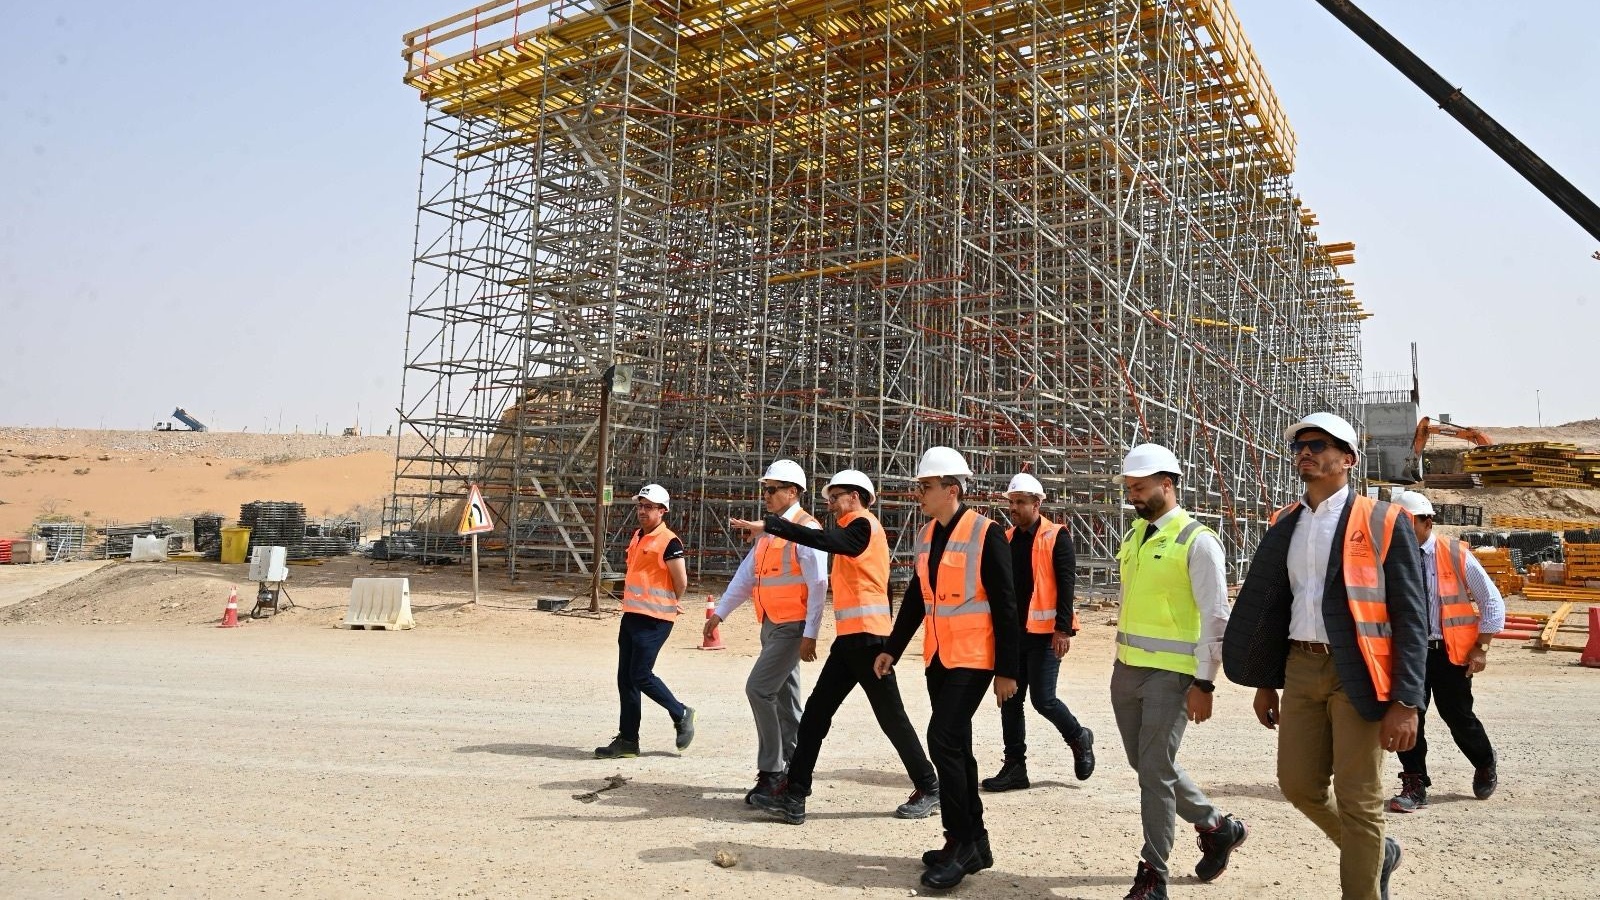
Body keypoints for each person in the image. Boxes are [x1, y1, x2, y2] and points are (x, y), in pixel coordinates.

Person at [1224, 412, 1428, 900]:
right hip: (1301, 667)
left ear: (1348, 458)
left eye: (1318, 445)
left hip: (1359, 671)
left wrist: (1407, 701)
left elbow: (1411, 617)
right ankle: (1377, 852)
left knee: (1360, 801)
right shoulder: (1285, 522)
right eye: (1300, 446)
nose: (1305, 453)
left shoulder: (1383, 521)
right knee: (1297, 785)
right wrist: (1265, 681)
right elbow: (1274, 608)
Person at [738, 469, 940, 824]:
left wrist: (773, 525)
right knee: (815, 716)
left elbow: (826, 541)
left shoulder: (862, 526)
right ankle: (794, 795)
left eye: (835, 497)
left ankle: (929, 786)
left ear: (855, 497)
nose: (830, 504)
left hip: (869, 642)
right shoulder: (856, 530)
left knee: (891, 718)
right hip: (852, 640)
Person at [875, 446, 1019, 891]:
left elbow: (1007, 605)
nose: (919, 493)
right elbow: (918, 597)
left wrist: (1008, 670)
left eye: (926, 486)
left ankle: (962, 841)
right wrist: (893, 648)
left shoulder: (986, 533)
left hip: (975, 657)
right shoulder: (926, 534)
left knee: (941, 738)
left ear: (952, 489)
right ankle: (973, 840)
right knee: (957, 746)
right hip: (939, 657)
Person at [1110, 444, 1246, 900]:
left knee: (1154, 771)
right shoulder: (1135, 534)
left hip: (1172, 675)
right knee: (1149, 764)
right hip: (1127, 669)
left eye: (1140, 487)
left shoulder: (1198, 541)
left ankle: (1153, 875)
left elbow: (1216, 617)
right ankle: (1216, 826)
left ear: (1167, 484)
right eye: (1130, 488)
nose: (1133, 495)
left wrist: (1205, 682)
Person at [704, 459, 828, 805]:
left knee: (758, 689)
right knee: (786, 700)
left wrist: (811, 633)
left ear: (793, 492)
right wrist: (721, 613)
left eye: (773, 489)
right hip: (772, 623)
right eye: (766, 489)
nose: (767, 495)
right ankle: (796, 770)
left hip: (793, 626)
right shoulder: (771, 532)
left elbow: (819, 584)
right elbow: (747, 576)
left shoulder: (807, 529)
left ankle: (772, 772)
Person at [1388, 491, 1505, 812]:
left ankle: (1484, 761)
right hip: (1407, 653)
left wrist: (1481, 647)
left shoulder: (1454, 554)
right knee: (1409, 715)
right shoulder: (1390, 556)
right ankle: (1414, 784)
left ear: (1427, 522)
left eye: (1407, 523)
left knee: (1458, 716)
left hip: (1449, 652)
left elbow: (1492, 602)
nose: (1399, 530)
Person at [981, 471, 1096, 792]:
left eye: (1020, 502)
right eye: (1011, 502)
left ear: (1037, 504)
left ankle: (1078, 737)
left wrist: (1063, 629)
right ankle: (1015, 767)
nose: (1013, 508)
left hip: (1046, 636)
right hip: (1013, 636)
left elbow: (1066, 583)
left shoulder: (1056, 536)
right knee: (1010, 701)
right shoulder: (1005, 539)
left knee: (1043, 700)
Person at [595, 484, 696, 758]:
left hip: (655, 619)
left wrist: (670, 602)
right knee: (625, 679)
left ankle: (681, 712)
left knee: (640, 674)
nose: (642, 511)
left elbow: (681, 581)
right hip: (632, 615)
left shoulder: (670, 542)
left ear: (662, 511)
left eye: (648, 507)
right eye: (640, 506)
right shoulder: (638, 536)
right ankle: (628, 740)